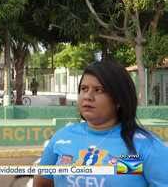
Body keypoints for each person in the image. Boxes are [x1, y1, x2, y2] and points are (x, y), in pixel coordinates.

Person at [33, 60, 168, 187]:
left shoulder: (145, 146)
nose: (88, 96)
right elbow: (42, 183)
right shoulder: (63, 137)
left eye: (98, 90)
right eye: (84, 89)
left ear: (119, 99)